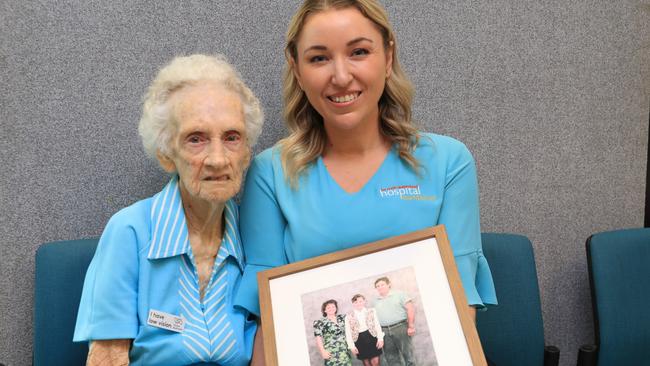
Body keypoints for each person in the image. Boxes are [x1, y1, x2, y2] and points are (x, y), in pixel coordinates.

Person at [235, 0, 498, 360]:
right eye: (318, 58)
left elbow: (458, 306)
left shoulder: (449, 163)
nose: (341, 76)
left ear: (388, 58)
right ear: (297, 70)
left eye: (358, 51)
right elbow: (269, 320)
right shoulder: (270, 173)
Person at [73, 54, 264, 366]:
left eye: (232, 138)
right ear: (166, 154)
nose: (218, 159)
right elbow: (107, 359)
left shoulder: (255, 233)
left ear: (246, 153)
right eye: (196, 139)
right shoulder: (130, 232)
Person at [372, 277, 415, 365]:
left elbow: (410, 309)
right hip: (384, 331)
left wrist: (411, 326)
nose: (380, 287)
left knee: (408, 354)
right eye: (377, 286)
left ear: (389, 284)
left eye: (382, 284)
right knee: (391, 358)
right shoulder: (375, 301)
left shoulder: (400, 294)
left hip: (400, 327)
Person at [344, 294, 384, 366]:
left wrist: (380, 339)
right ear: (353, 304)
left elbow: (377, 325)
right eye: (355, 302)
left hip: (372, 336)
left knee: (375, 362)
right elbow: (348, 333)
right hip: (359, 339)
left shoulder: (371, 311)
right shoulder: (348, 316)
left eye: (360, 301)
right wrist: (351, 346)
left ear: (364, 301)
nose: (358, 303)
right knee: (366, 363)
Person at [313, 299, 352, 366]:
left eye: (333, 306)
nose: (331, 308)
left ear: (336, 308)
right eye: (328, 307)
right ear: (325, 310)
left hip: (344, 351)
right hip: (331, 352)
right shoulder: (319, 322)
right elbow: (318, 338)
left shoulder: (342, 318)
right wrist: (323, 351)